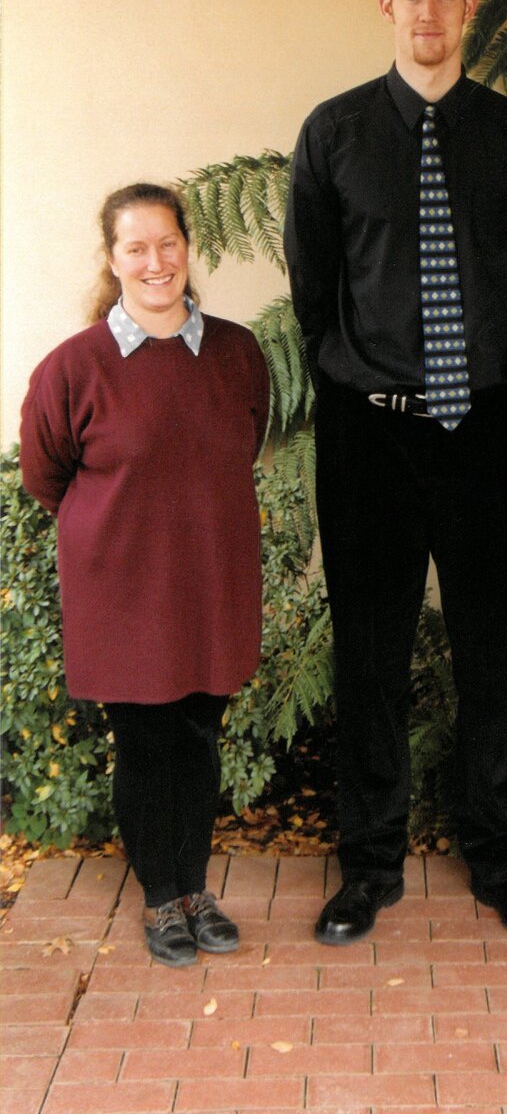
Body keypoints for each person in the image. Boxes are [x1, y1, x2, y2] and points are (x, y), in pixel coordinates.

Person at [284, 0, 507, 944]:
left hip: (484, 426)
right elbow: (314, 293)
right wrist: (358, 379)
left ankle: (503, 864)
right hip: (372, 440)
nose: (430, 16)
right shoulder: (335, 134)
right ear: (386, 4)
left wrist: (492, 376)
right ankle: (368, 866)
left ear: (470, 5)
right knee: (371, 657)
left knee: (495, 654)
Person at [20, 183, 270, 967]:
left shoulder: (236, 353)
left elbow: (244, 441)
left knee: (198, 738)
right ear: (112, 258)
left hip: (210, 580)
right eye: (136, 247)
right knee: (146, 744)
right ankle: (161, 898)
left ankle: (196, 887)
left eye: (167, 243)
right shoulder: (73, 368)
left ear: (186, 247)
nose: (155, 261)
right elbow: (45, 474)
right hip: (123, 590)